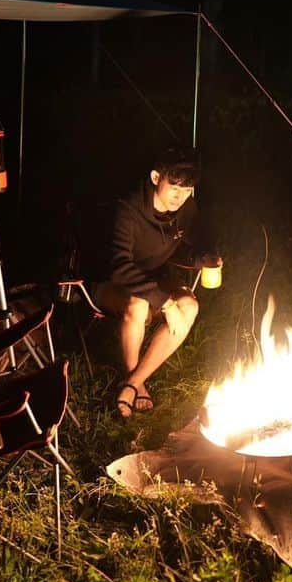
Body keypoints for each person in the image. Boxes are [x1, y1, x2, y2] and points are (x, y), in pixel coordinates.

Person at [95, 148, 222, 418]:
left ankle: (132, 383)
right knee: (140, 305)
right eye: (174, 187)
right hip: (109, 282)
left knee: (188, 305)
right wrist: (164, 303)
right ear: (156, 177)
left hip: (153, 278)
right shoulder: (128, 209)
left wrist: (205, 257)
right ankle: (136, 382)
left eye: (187, 189)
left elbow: (186, 245)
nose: (181, 196)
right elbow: (119, 267)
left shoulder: (186, 207)